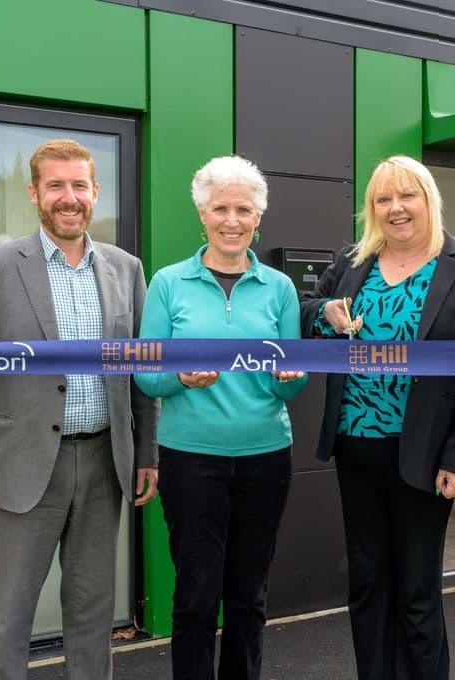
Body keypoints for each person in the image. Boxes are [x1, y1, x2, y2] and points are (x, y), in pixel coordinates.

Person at [300, 155, 455, 680]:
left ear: (429, 199)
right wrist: (324, 313)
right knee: (368, 583)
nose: (396, 209)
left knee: (417, 589)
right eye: (383, 199)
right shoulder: (353, 261)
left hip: (426, 455)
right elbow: (309, 310)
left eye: (407, 195)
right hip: (355, 446)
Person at [0, 139, 159, 680]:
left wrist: (146, 452)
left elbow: (141, 372)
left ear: (95, 192)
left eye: (79, 185)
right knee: (5, 622)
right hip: (21, 464)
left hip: (104, 461)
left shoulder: (126, 269)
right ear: (34, 193)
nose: (69, 197)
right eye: (55, 185)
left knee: (93, 615)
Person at [134, 155, 307, 680]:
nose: (232, 220)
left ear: (259, 218)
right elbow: (146, 373)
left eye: (244, 210)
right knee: (194, 595)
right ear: (202, 215)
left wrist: (289, 378)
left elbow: (290, 383)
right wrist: (180, 377)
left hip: (264, 458)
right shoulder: (168, 283)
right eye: (220, 209)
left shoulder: (280, 288)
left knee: (248, 597)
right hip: (190, 460)